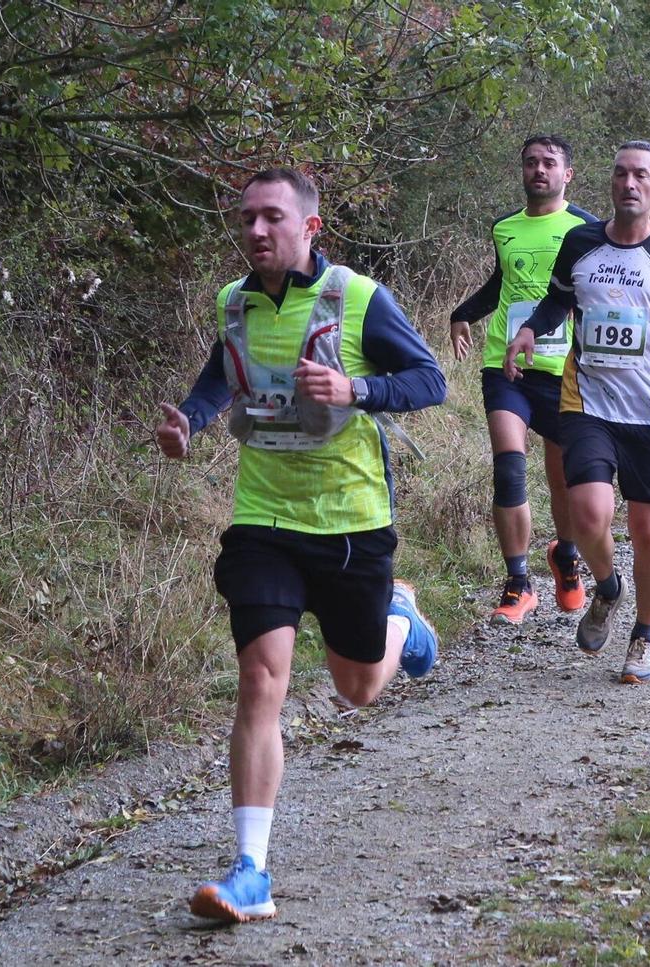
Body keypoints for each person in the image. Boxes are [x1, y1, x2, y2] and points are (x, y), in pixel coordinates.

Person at [155, 167, 448, 923]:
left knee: (357, 690)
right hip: (264, 521)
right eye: (246, 218)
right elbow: (221, 377)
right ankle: (251, 870)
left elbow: (430, 380)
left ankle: (400, 619)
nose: (255, 231)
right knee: (262, 679)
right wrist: (189, 420)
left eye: (272, 218)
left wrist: (358, 390)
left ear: (310, 227)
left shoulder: (357, 299)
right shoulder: (234, 302)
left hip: (350, 522)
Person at [503, 141, 650, 685]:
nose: (629, 184)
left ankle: (645, 635)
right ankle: (608, 587)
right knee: (587, 515)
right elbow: (559, 299)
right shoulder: (580, 242)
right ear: (610, 182)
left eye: (641, 176)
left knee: (648, 529)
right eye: (621, 174)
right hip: (586, 403)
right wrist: (532, 328)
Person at [447, 135, 597, 625]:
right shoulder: (504, 227)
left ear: (567, 174)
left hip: (563, 370)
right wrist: (462, 313)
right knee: (509, 465)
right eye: (531, 162)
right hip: (505, 365)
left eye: (549, 163)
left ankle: (566, 557)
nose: (539, 170)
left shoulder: (586, 228)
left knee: (563, 479)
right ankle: (518, 582)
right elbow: (500, 283)